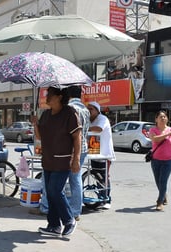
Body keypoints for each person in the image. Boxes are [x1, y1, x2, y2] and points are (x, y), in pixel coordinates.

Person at [32, 86, 82, 237]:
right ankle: (53, 225)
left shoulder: (70, 113)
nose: (47, 97)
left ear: (60, 96)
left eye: (50, 94)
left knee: (55, 190)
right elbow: (40, 137)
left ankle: (69, 219)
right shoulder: (46, 114)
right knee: (50, 192)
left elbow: (77, 137)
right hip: (48, 160)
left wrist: (76, 159)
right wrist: (35, 124)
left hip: (63, 160)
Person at [149, 110, 171, 211]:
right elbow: (155, 139)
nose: (163, 118)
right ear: (156, 119)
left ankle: (159, 202)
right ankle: (164, 195)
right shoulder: (153, 130)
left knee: (163, 181)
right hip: (155, 160)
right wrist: (167, 134)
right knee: (158, 182)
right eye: (160, 117)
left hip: (168, 161)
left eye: (164, 116)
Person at [87, 101, 116, 209]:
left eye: (91, 109)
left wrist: (85, 129)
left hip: (105, 154)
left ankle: (107, 199)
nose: (89, 111)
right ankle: (101, 197)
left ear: (97, 110)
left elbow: (99, 129)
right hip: (94, 152)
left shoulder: (102, 119)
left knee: (104, 177)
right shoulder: (89, 120)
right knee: (96, 175)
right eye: (88, 109)